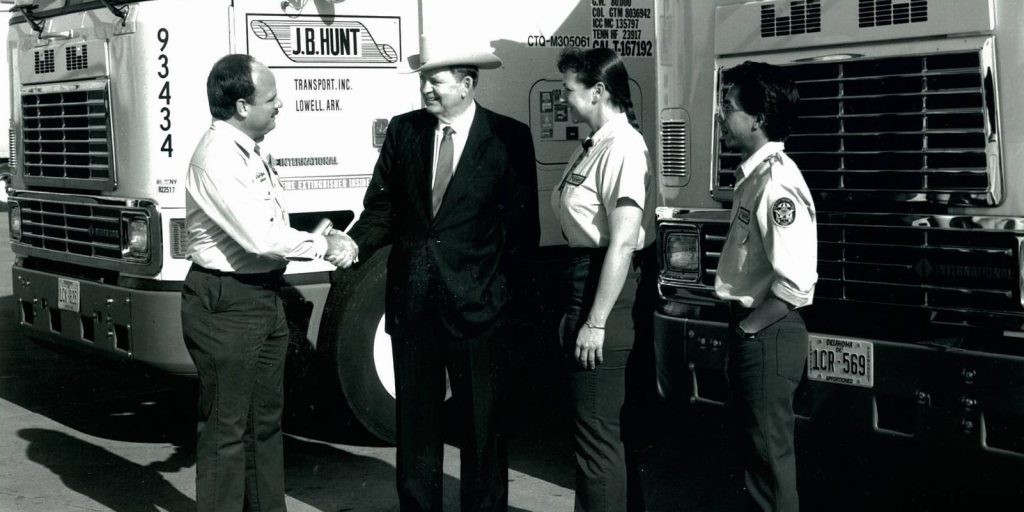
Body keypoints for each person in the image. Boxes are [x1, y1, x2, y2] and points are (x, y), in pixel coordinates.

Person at [345, 35, 539, 512]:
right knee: (416, 428)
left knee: (482, 428)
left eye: (436, 81)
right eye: (424, 81)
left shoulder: (509, 138)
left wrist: (497, 295)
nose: (426, 90)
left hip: (477, 308)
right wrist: (351, 243)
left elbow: (521, 230)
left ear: (468, 84)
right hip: (413, 303)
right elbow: (381, 208)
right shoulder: (404, 131)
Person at [180, 53, 356, 512]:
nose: (280, 105)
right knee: (226, 431)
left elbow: (268, 223)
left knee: (264, 425)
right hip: (228, 302)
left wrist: (321, 236)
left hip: (259, 299)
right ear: (241, 106)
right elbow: (260, 237)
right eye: (272, 98)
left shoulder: (248, 149)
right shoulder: (217, 157)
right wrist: (325, 247)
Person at [552, 47, 655, 512]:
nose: (563, 98)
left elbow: (623, 240)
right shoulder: (594, 143)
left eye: (568, 90)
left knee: (597, 440)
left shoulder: (624, 147)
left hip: (601, 290)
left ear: (598, 92)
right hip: (583, 285)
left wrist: (596, 321)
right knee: (598, 436)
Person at [714, 60, 817, 512]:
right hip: (756, 333)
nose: (720, 114)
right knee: (756, 466)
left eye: (729, 106)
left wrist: (747, 330)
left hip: (767, 334)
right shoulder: (753, 177)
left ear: (757, 119)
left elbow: (795, 283)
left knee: (769, 469)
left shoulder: (775, 182)